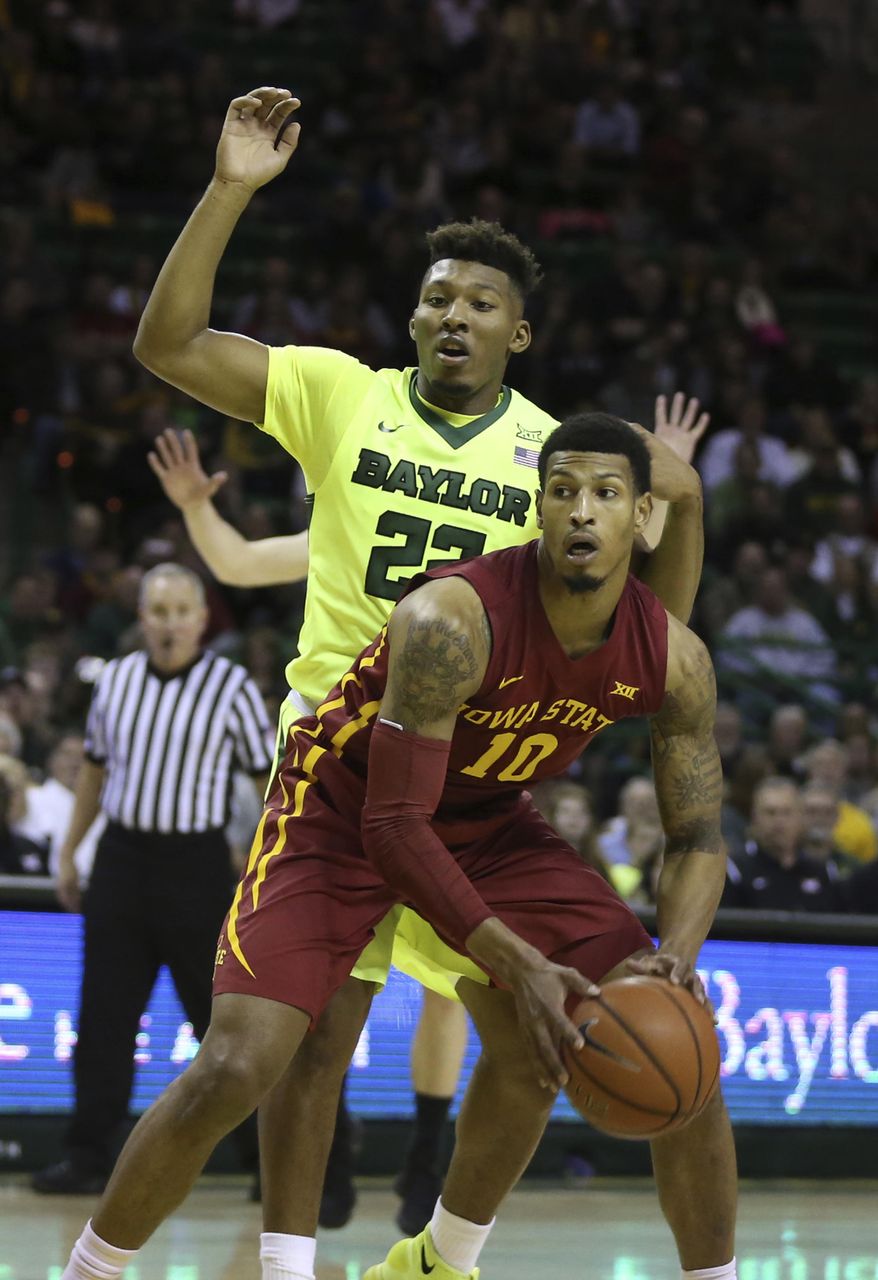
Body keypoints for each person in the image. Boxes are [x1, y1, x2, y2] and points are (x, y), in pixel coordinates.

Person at [130, 84, 710, 1252]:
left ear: (516, 333)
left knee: (528, 1028)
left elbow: (657, 577)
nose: (453, 312)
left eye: (480, 300)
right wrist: (230, 189)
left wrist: (669, 556)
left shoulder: (558, 457)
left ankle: (438, 1252)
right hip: (339, 761)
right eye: (436, 295)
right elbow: (168, 344)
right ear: (410, 317)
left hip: (476, 779)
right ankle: (290, 1259)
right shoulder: (340, 394)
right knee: (312, 1036)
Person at [58, 415, 736, 1280]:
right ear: (537, 508)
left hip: (488, 818)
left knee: (686, 1056)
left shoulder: (675, 657)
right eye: (561, 491)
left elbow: (698, 835)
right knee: (237, 1063)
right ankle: (89, 1271)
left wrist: (673, 960)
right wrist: (518, 963)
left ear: (642, 518)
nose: (580, 511)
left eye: (605, 495)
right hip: (342, 809)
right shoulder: (451, 616)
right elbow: (392, 827)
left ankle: (439, 1265)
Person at [32, 563, 273, 1194]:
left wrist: (260, 857)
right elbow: (93, 771)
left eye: (179, 612)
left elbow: (266, 782)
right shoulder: (115, 681)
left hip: (195, 866)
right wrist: (70, 852)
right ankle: (87, 1156)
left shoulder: (232, 687)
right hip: (122, 860)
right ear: (142, 617)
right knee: (104, 1018)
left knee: (218, 1023)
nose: (168, 624)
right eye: (157, 611)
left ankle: (262, 1158)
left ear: (201, 619)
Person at [722, 776, 845, 912]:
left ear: (800, 817)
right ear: (754, 817)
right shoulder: (734, 870)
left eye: (787, 813)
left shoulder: (824, 871)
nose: (779, 822)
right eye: (770, 813)